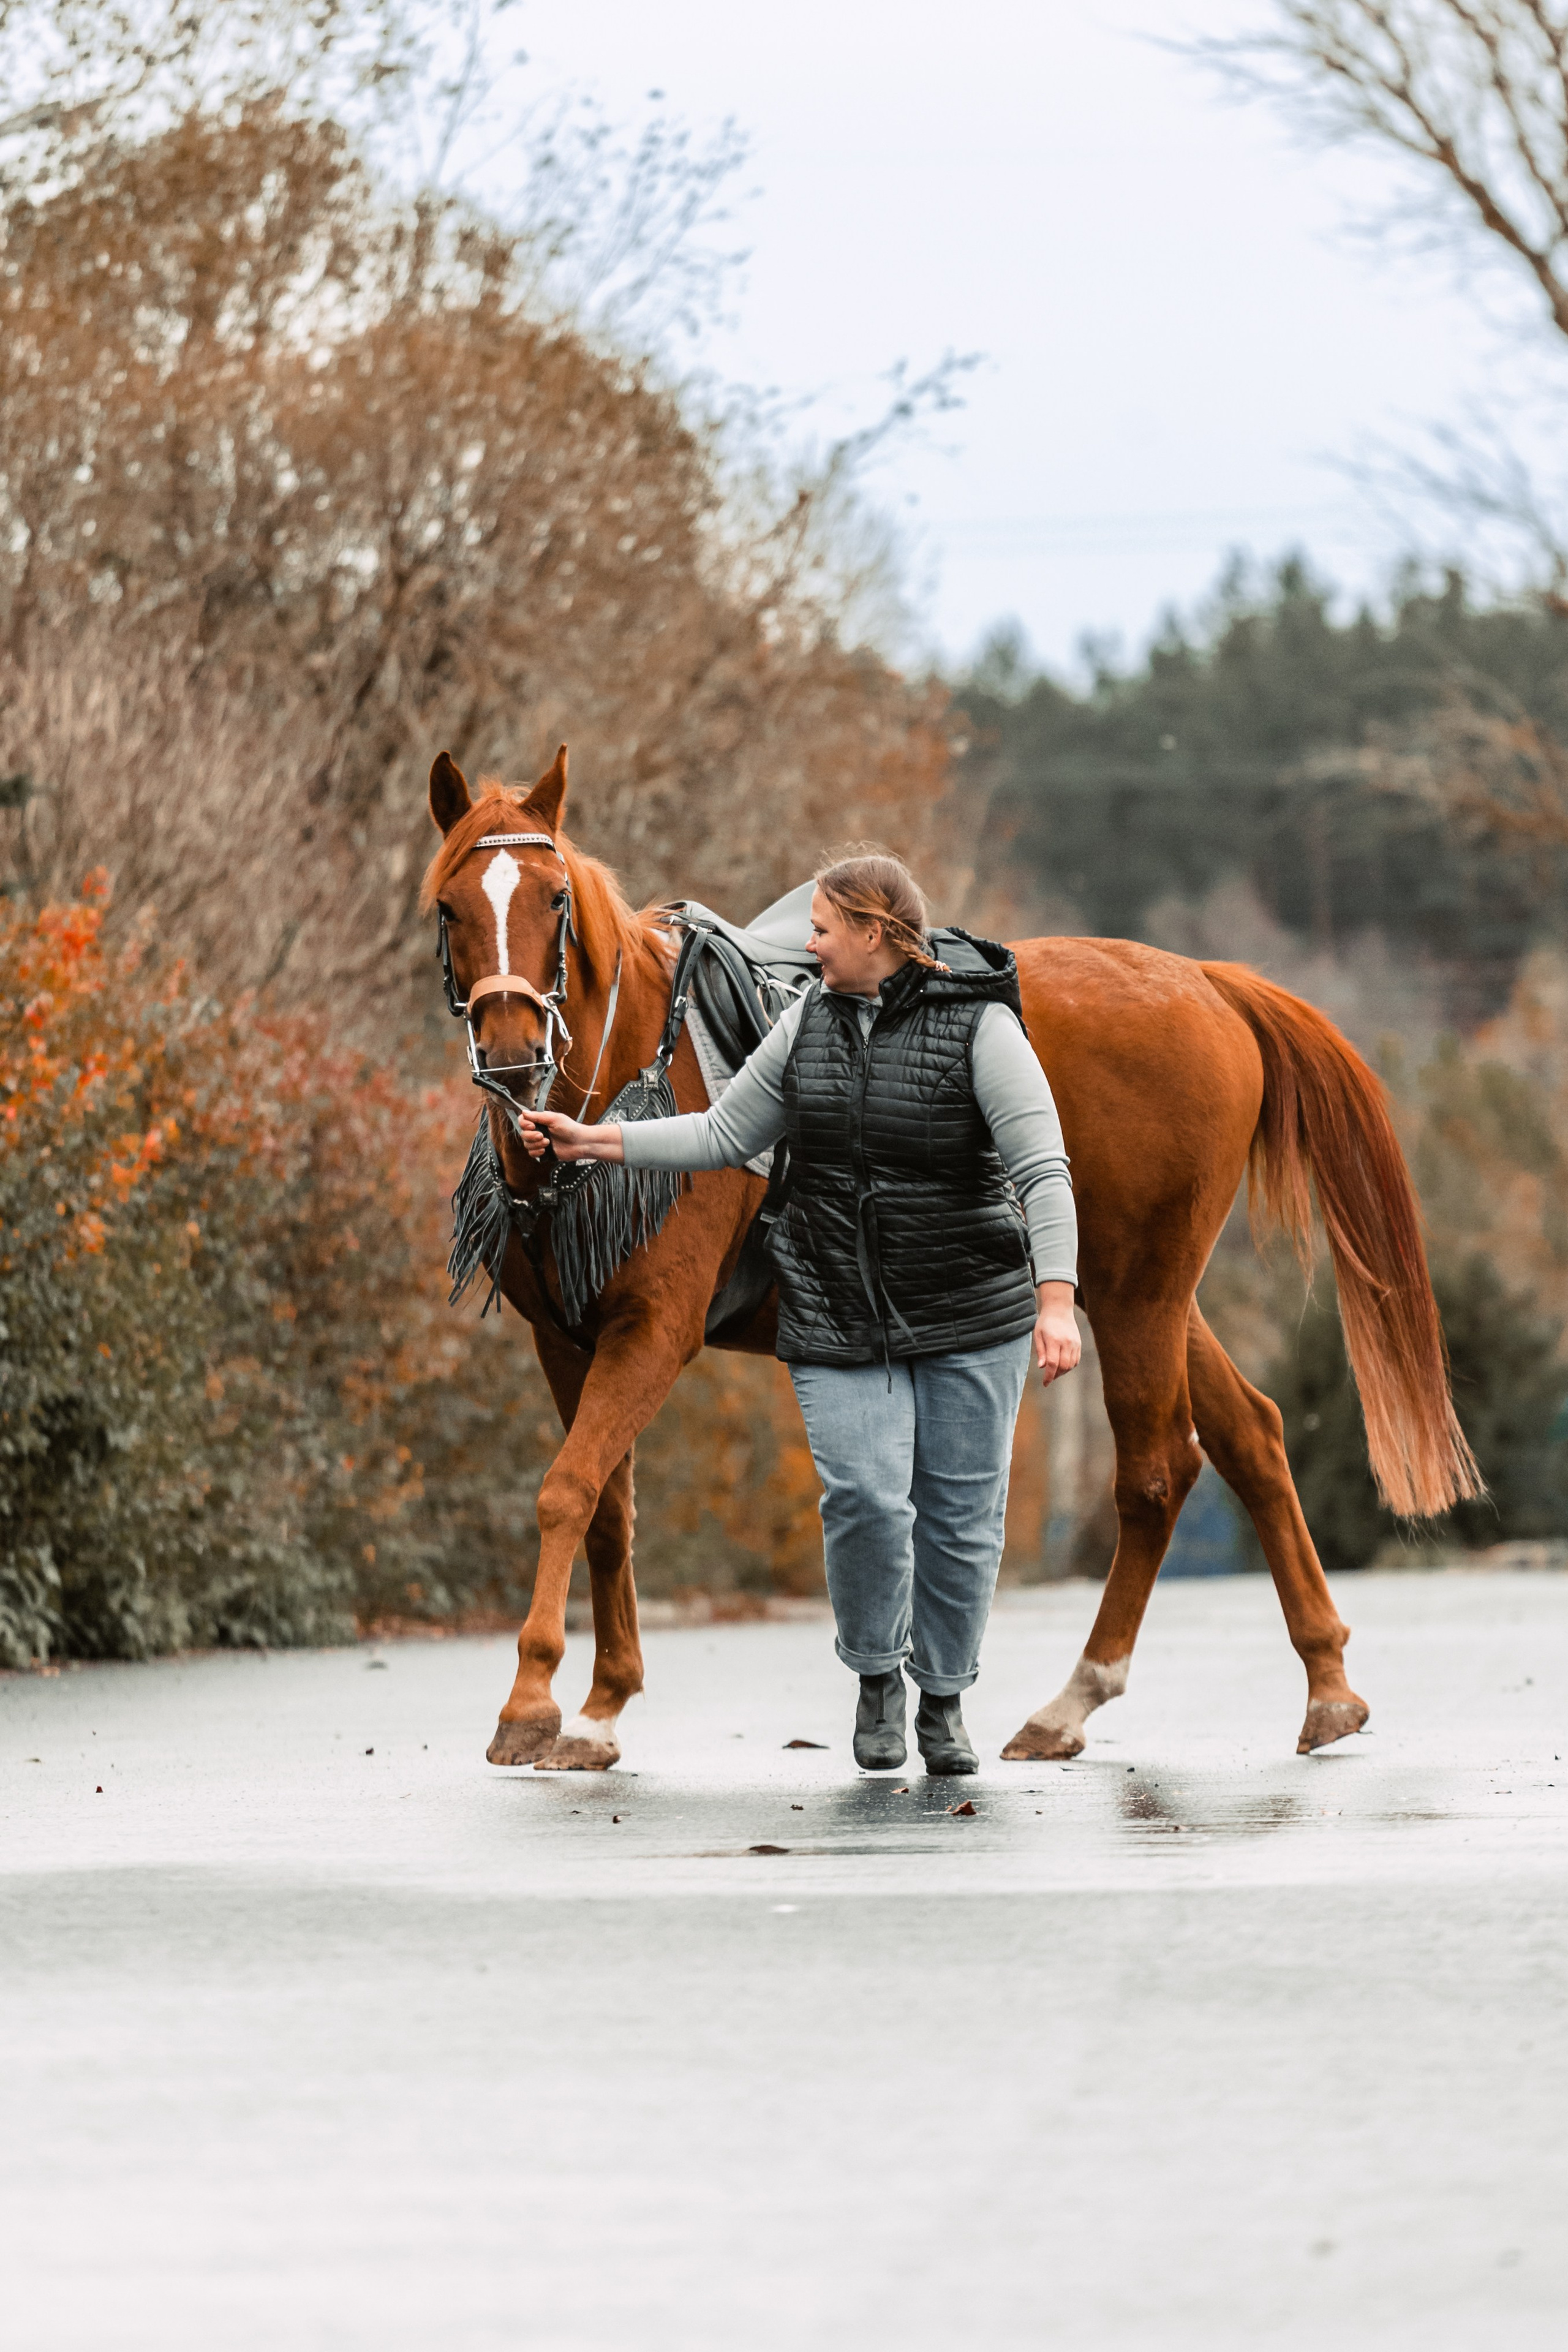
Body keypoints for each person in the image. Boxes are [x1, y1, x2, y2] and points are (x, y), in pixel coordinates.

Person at [519, 852, 1080, 1776]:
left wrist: (1054, 1299)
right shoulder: (807, 1024)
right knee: (863, 1500)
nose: (804, 942)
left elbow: (1042, 1170)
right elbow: (724, 1133)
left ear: (874, 934)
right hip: (835, 1301)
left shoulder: (983, 1029)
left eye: (822, 927)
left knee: (960, 1513)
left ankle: (942, 1696)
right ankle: (875, 1681)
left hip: (965, 1304)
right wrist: (599, 1140)